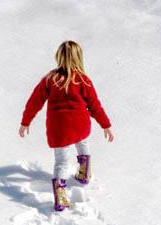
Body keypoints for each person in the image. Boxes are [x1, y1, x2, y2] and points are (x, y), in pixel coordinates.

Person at [19, 40, 114, 211]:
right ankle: (84, 173)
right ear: (79, 58)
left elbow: (34, 102)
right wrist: (105, 125)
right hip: (81, 125)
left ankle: (61, 195)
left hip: (59, 129)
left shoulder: (50, 79)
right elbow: (95, 105)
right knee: (83, 142)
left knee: (62, 161)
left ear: (59, 57)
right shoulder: (83, 80)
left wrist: (26, 122)